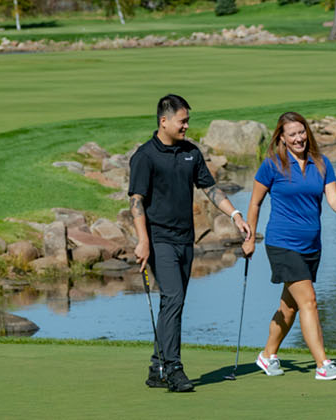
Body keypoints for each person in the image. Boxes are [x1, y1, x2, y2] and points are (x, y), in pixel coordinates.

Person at [129, 94, 250, 392]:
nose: (186, 126)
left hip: (185, 240)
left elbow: (210, 189)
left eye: (187, 121)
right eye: (182, 121)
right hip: (159, 240)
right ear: (164, 121)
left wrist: (235, 214)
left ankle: (156, 367)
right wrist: (143, 241)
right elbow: (136, 202)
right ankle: (174, 369)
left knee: (173, 304)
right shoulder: (145, 156)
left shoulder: (190, 153)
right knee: (173, 299)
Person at [241, 111, 336, 381]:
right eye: (292, 134)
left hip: (311, 245)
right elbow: (255, 202)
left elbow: (333, 196)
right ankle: (322, 364)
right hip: (282, 244)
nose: (298, 138)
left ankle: (267, 355)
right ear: (281, 137)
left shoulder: (321, 162)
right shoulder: (272, 165)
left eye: (301, 132)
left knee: (290, 307)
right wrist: (250, 238)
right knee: (309, 301)